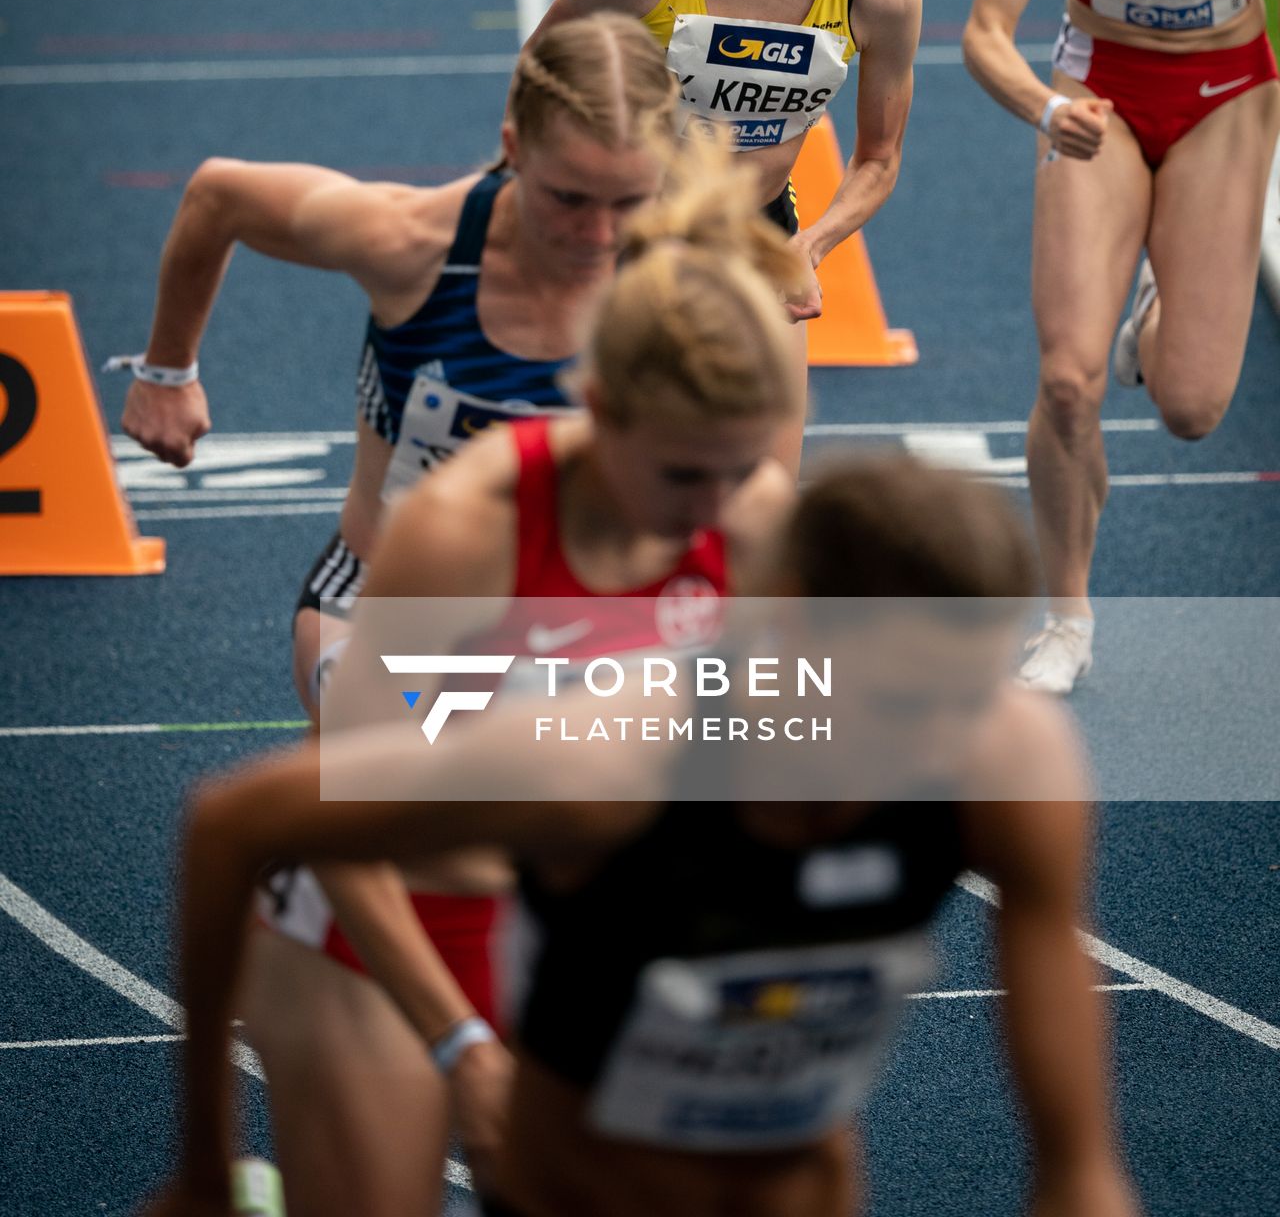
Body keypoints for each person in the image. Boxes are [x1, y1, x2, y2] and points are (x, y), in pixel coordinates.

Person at [141, 454, 1141, 1217]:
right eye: (892, 701)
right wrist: (198, 1164)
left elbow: (1074, 1138)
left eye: (961, 698)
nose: (928, 741)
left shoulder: (1002, 756)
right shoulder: (605, 756)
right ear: (787, 630)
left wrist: (1081, 1181)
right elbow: (234, 821)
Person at [184, 151, 808, 1217]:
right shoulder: (466, 534)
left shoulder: (748, 531)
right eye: (680, 476)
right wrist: (462, 1043)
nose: (712, 505)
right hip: (387, 925)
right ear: (599, 410)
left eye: (737, 468)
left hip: (581, 929)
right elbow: (343, 812)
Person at [114, 12, 676, 714]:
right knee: (427, 783)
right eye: (568, 198)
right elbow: (218, 195)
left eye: (629, 201)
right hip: (386, 609)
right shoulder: (410, 244)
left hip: (575, 614)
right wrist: (167, 371)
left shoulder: (685, 286)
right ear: (515, 149)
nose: (597, 234)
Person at [963, 0, 1280, 693]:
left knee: (1190, 408)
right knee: (1064, 380)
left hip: (1224, 99)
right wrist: (1039, 110)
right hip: (1093, 95)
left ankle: (1159, 310)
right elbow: (983, 35)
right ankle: (1065, 622)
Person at [525, 0, 923, 470]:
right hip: (626, 236)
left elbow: (878, 159)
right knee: (629, 489)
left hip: (757, 238)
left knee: (764, 502)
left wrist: (807, 247)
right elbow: (536, 81)